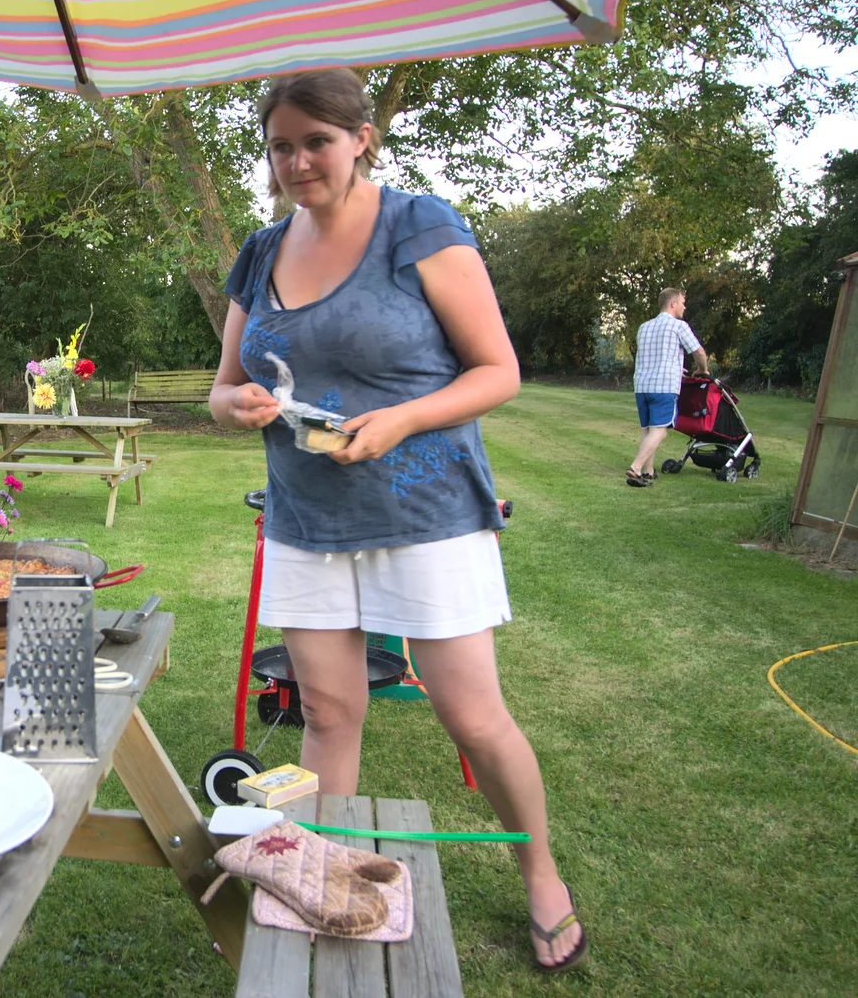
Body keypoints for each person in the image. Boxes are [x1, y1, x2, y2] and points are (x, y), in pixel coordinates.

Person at [208, 68, 585, 972]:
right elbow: (222, 385)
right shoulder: (260, 252)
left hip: (427, 508)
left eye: (316, 142)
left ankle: (540, 869)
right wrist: (239, 406)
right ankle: (326, 874)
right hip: (306, 515)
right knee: (330, 710)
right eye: (280, 146)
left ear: (362, 137)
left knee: (471, 713)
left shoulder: (419, 225)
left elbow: (498, 370)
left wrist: (404, 417)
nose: (297, 161)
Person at [627, 289, 708, 486]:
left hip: (642, 385)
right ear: (672, 303)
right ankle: (636, 468)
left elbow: (654, 356)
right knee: (661, 430)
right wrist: (702, 370)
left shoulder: (644, 327)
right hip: (663, 387)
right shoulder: (679, 326)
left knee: (648, 429)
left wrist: (674, 367)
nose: (684, 306)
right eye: (682, 302)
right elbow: (698, 352)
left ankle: (649, 471)